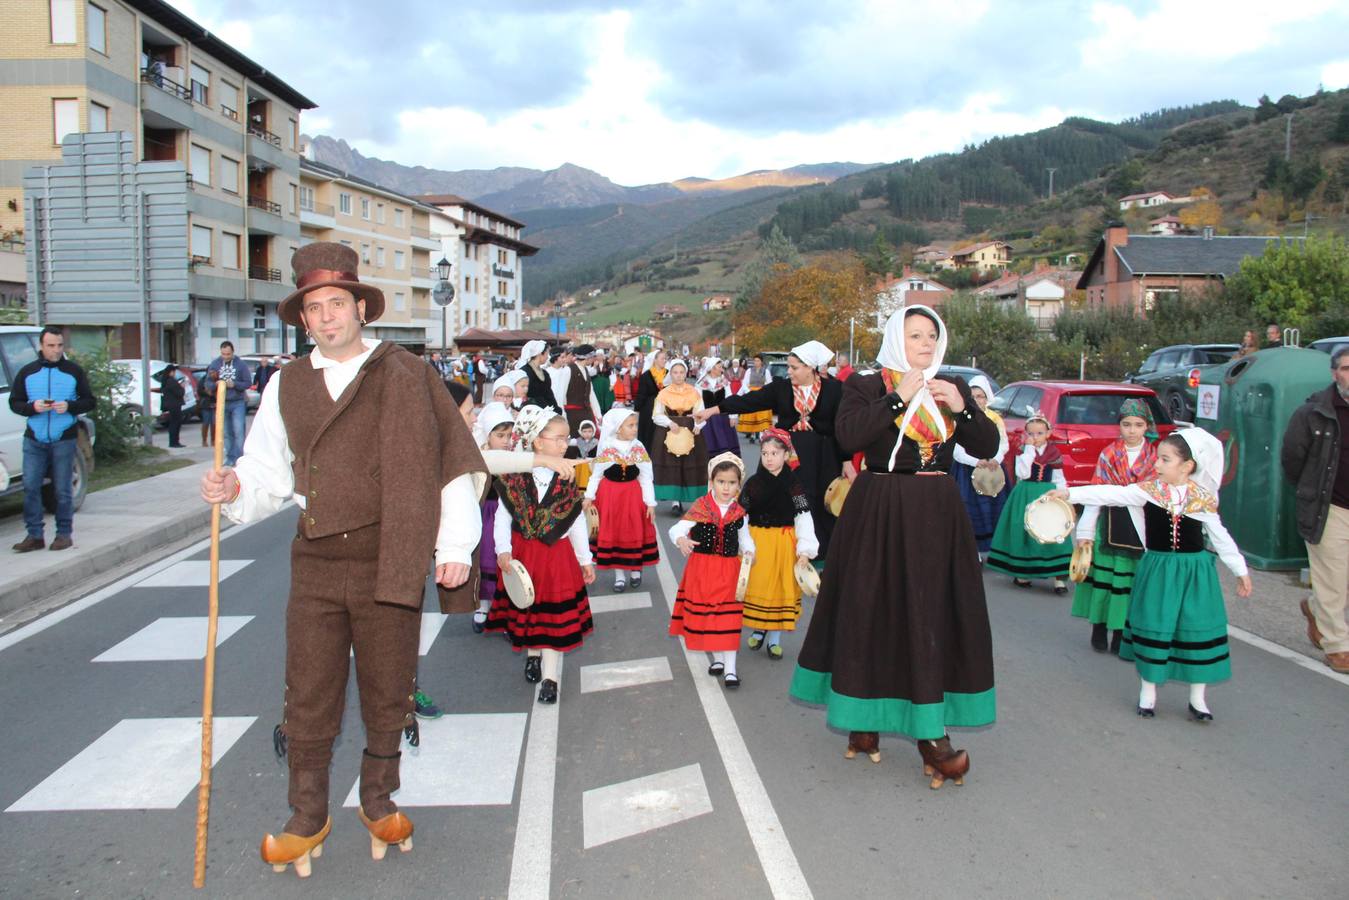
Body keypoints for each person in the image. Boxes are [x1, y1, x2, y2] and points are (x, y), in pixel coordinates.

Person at [199, 241, 488, 876]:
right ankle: (308, 815)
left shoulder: (407, 376)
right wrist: (233, 490)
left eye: (337, 303)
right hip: (318, 559)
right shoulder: (285, 385)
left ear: (361, 307)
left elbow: (450, 465)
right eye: (314, 308)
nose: (327, 317)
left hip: (391, 551)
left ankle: (379, 801)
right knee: (309, 686)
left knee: (388, 683)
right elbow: (264, 472)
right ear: (303, 320)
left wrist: (454, 546)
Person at [788, 306, 1000, 788]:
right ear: (894, 338)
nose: (925, 342)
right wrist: (899, 397)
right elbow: (849, 436)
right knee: (873, 609)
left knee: (931, 615)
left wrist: (963, 408)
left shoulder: (951, 388)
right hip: (880, 508)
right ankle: (864, 717)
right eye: (915, 334)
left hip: (937, 514)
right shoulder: (868, 384)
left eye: (932, 334)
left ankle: (930, 730)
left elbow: (986, 443)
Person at [1054, 429, 1253, 720]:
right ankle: (1148, 693)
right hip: (1159, 570)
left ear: (1187, 466)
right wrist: (1070, 492)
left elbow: (1219, 535)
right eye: (1158, 458)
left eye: (1165, 459)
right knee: (1155, 624)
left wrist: (1240, 570)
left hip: (1194, 573)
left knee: (1194, 628)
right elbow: (1111, 493)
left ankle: (1198, 699)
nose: (1157, 464)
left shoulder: (1202, 499)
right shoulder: (1149, 491)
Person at [484, 406, 597, 705]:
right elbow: (502, 518)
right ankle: (533, 655)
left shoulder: (568, 477)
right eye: (558, 439)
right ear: (537, 442)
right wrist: (503, 550)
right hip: (524, 554)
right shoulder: (514, 477)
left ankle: (551, 678)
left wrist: (585, 559)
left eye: (566, 439)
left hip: (557, 557)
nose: (565, 445)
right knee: (529, 606)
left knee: (554, 618)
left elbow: (574, 523)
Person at [705, 341, 848, 558]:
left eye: (794, 367)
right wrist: (714, 410)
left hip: (824, 453)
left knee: (822, 502)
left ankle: (820, 554)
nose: (788, 371)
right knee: (786, 497)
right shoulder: (781, 388)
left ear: (810, 367)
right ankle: (783, 549)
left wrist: (846, 460)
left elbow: (841, 426)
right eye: (789, 367)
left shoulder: (834, 389)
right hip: (789, 451)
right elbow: (750, 401)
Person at [1070, 400, 1158, 655]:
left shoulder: (1155, 457)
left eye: (1138, 425)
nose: (1132, 430)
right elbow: (1096, 494)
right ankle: (1099, 628)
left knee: (1128, 585)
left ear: (1146, 427)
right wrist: (1085, 533)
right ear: (1119, 425)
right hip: (1108, 525)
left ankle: (1121, 633)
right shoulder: (1108, 454)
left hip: (1139, 528)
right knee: (1104, 581)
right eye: (1126, 424)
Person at [1281, 346, 1349, 674]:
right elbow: (1292, 460)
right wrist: (1310, 491)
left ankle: (1315, 608)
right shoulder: (1313, 414)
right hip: (1330, 508)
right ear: (1335, 373)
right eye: (1348, 368)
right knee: (1333, 579)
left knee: (1341, 583)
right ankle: (1337, 646)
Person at [669, 453, 756, 689]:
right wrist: (681, 540)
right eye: (721, 482)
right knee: (709, 617)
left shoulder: (740, 513)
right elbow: (677, 528)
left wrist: (749, 552)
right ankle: (718, 659)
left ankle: (730, 669)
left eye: (731, 483)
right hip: (702, 571)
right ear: (712, 481)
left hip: (729, 570)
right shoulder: (701, 506)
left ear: (739, 484)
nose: (726, 488)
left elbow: (745, 538)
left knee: (727, 617)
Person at [9, 326, 95, 553]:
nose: (56, 350)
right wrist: (32, 407)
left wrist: (70, 406)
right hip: (34, 438)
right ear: (41, 346)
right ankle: (34, 535)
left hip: (64, 438)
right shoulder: (27, 372)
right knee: (30, 487)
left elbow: (89, 401)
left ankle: (64, 535)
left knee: (63, 489)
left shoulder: (73, 371)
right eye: (51, 346)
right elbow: (14, 403)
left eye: (59, 346)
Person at [739, 428, 817, 660]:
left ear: (786, 455)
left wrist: (805, 550)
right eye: (765, 453)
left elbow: (803, 516)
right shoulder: (753, 483)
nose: (769, 458)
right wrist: (745, 544)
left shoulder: (794, 485)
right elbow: (741, 515)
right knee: (761, 586)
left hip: (784, 543)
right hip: (758, 542)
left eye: (774, 453)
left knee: (779, 589)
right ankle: (759, 629)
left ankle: (774, 639)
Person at [985, 411, 1072, 594]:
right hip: (1026, 493)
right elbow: (1022, 473)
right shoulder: (1024, 451)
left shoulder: (1054, 453)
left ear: (1048, 433)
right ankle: (1023, 573)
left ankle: (1059, 579)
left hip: (1048, 493)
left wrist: (1064, 493)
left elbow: (1059, 476)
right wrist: (1030, 450)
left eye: (1040, 433)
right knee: (1025, 529)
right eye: (1031, 433)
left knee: (1053, 529)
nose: (1035, 437)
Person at [585, 407, 658, 593]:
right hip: (610, 498)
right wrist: (588, 497)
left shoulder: (638, 447)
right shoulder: (607, 449)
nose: (634, 429)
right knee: (615, 533)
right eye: (630, 425)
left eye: (635, 425)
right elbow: (597, 476)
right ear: (618, 428)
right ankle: (619, 576)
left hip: (633, 498)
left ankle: (635, 570)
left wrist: (650, 502)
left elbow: (645, 476)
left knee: (633, 532)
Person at [951, 374, 1008, 560]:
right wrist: (975, 462)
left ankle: (993, 549)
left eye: (980, 396)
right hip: (967, 471)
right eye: (973, 396)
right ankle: (973, 551)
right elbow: (956, 449)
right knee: (969, 512)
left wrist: (995, 459)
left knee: (993, 511)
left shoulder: (994, 418)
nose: (977, 400)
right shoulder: (959, 418)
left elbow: (1003, 443)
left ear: (987, 398)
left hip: (992, 470)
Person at [650, 358, 708, 514]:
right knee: (673, 467)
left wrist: (698, 425)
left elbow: (701, 412)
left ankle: (693, 500)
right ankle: (675, 501)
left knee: (689, 466)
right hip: (670, 432)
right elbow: (656, 415)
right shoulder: (664, 393)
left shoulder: (694, 392)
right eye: (675, 372)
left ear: (686, 373)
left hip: (690, 431)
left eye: (681, 372)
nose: (678, 375)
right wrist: (669, 423)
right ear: (671, 374)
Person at [206, 341, 252, 467]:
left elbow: (248, 382)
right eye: (223, 354)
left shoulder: (240, 365)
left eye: (228, 354)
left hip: (237, 402)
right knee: (225, 432)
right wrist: (215, 385)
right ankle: (230, 457)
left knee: (238, 431)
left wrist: (235, 384)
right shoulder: (215, 364)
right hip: (222, 402)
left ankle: (239, 458)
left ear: (233, 352)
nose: (225, 356)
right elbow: (207, 383)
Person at [551, 344, 603, 437]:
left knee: (591, 442)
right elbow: (560, 395)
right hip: (572, 415)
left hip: (586, 413)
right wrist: (562, 416)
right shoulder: (568, 370)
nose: (594, 359)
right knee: (574, 444)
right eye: (593, 357)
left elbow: (590, 393)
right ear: (588, 357)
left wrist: (598, 414)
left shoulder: (586, 370)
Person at [696, 357, 741, 458]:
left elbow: (730, 398)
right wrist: (699, 421)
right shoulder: (701, 384)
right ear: (712, 368)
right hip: (707, 420)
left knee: (726, 447)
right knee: (708, 447)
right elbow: (698, 404)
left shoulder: (724, 382)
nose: (722, 370)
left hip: (723, 419)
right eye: (720, 367)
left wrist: (733, 416)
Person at [734, 355, 773, 443]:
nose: (756, 362)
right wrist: (748, 392)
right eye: (755, 361)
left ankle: (761, 436)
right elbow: (744, 383)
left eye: (758, 361)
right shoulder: (749, 371)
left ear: (761, 362)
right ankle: (752, 435)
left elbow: (769, 384)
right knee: (752, 415)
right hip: (751, 393)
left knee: (761, 415)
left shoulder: (766, 371)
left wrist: (765, 393)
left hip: (762, 394)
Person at [633, 348, 667, 449]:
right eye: (662, 359)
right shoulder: (646, 375)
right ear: (654, 360)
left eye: (665, 359)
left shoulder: (669, 373)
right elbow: (641, 394)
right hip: (649, 408)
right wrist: (637, 408)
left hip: (666, 407)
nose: (664, 360)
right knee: (649, 432)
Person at [517, 340, 555, 410]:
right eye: (547, 353)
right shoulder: (524, 372)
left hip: (547, 412)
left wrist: (556, 409)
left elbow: (549, 395)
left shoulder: (545, 373)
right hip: (530, 411)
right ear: (540, 354)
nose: (548, 357)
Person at [156, 363, 187, 449]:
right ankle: (174, 442)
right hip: (175, 404)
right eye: (174, 372)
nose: (174, 374)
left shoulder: (165, 381)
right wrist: (182, 387)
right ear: (171, 372)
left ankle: (174, 441)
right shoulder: (171, 381)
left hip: (170, 404)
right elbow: (179, 393)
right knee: (175, 423)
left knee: (174, 423)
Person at [198, 366, 216, 448]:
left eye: (213, 372)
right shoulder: (203, 380)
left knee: (214, 423)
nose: (212, 374)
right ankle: (204, 440)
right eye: (211, 372)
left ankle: (213, 440)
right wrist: (207, 393)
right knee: (206, 422)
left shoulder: (216, 380)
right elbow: (199, 391)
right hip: (205, 403)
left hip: (214, 403)